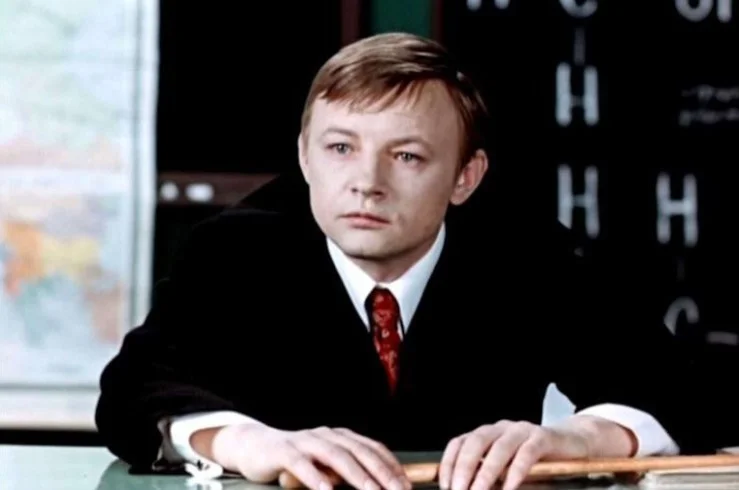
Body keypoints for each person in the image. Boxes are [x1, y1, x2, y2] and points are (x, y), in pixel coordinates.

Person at [96, 32, 701, 490]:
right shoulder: (235, 250)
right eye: (340, 148)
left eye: (407, 156)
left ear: (465, 177)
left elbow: (687, 390)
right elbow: (131, 393)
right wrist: (244, 442)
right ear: (305, 156)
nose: (367, 183)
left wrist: (578, 438)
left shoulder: (526, 254)